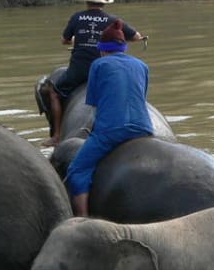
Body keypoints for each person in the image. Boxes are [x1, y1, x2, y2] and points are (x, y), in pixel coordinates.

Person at [65, 20, 153, 217]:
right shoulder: (142, 66)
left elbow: (93, 103)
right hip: (144, 128)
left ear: (103, 50)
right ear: (124, 48)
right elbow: (142, 98)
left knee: (77, 170)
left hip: (111, 131)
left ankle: (83, 219)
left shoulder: (98, 65)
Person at [42, 0, 146, 146]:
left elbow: (64, 40)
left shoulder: (77, 17)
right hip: (106, 68)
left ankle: (56, 136)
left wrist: (77, 39)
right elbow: (136, 36)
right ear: (103, 3)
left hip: (79, 70)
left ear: (87, 2)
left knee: (54, 92)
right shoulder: (113, 20)